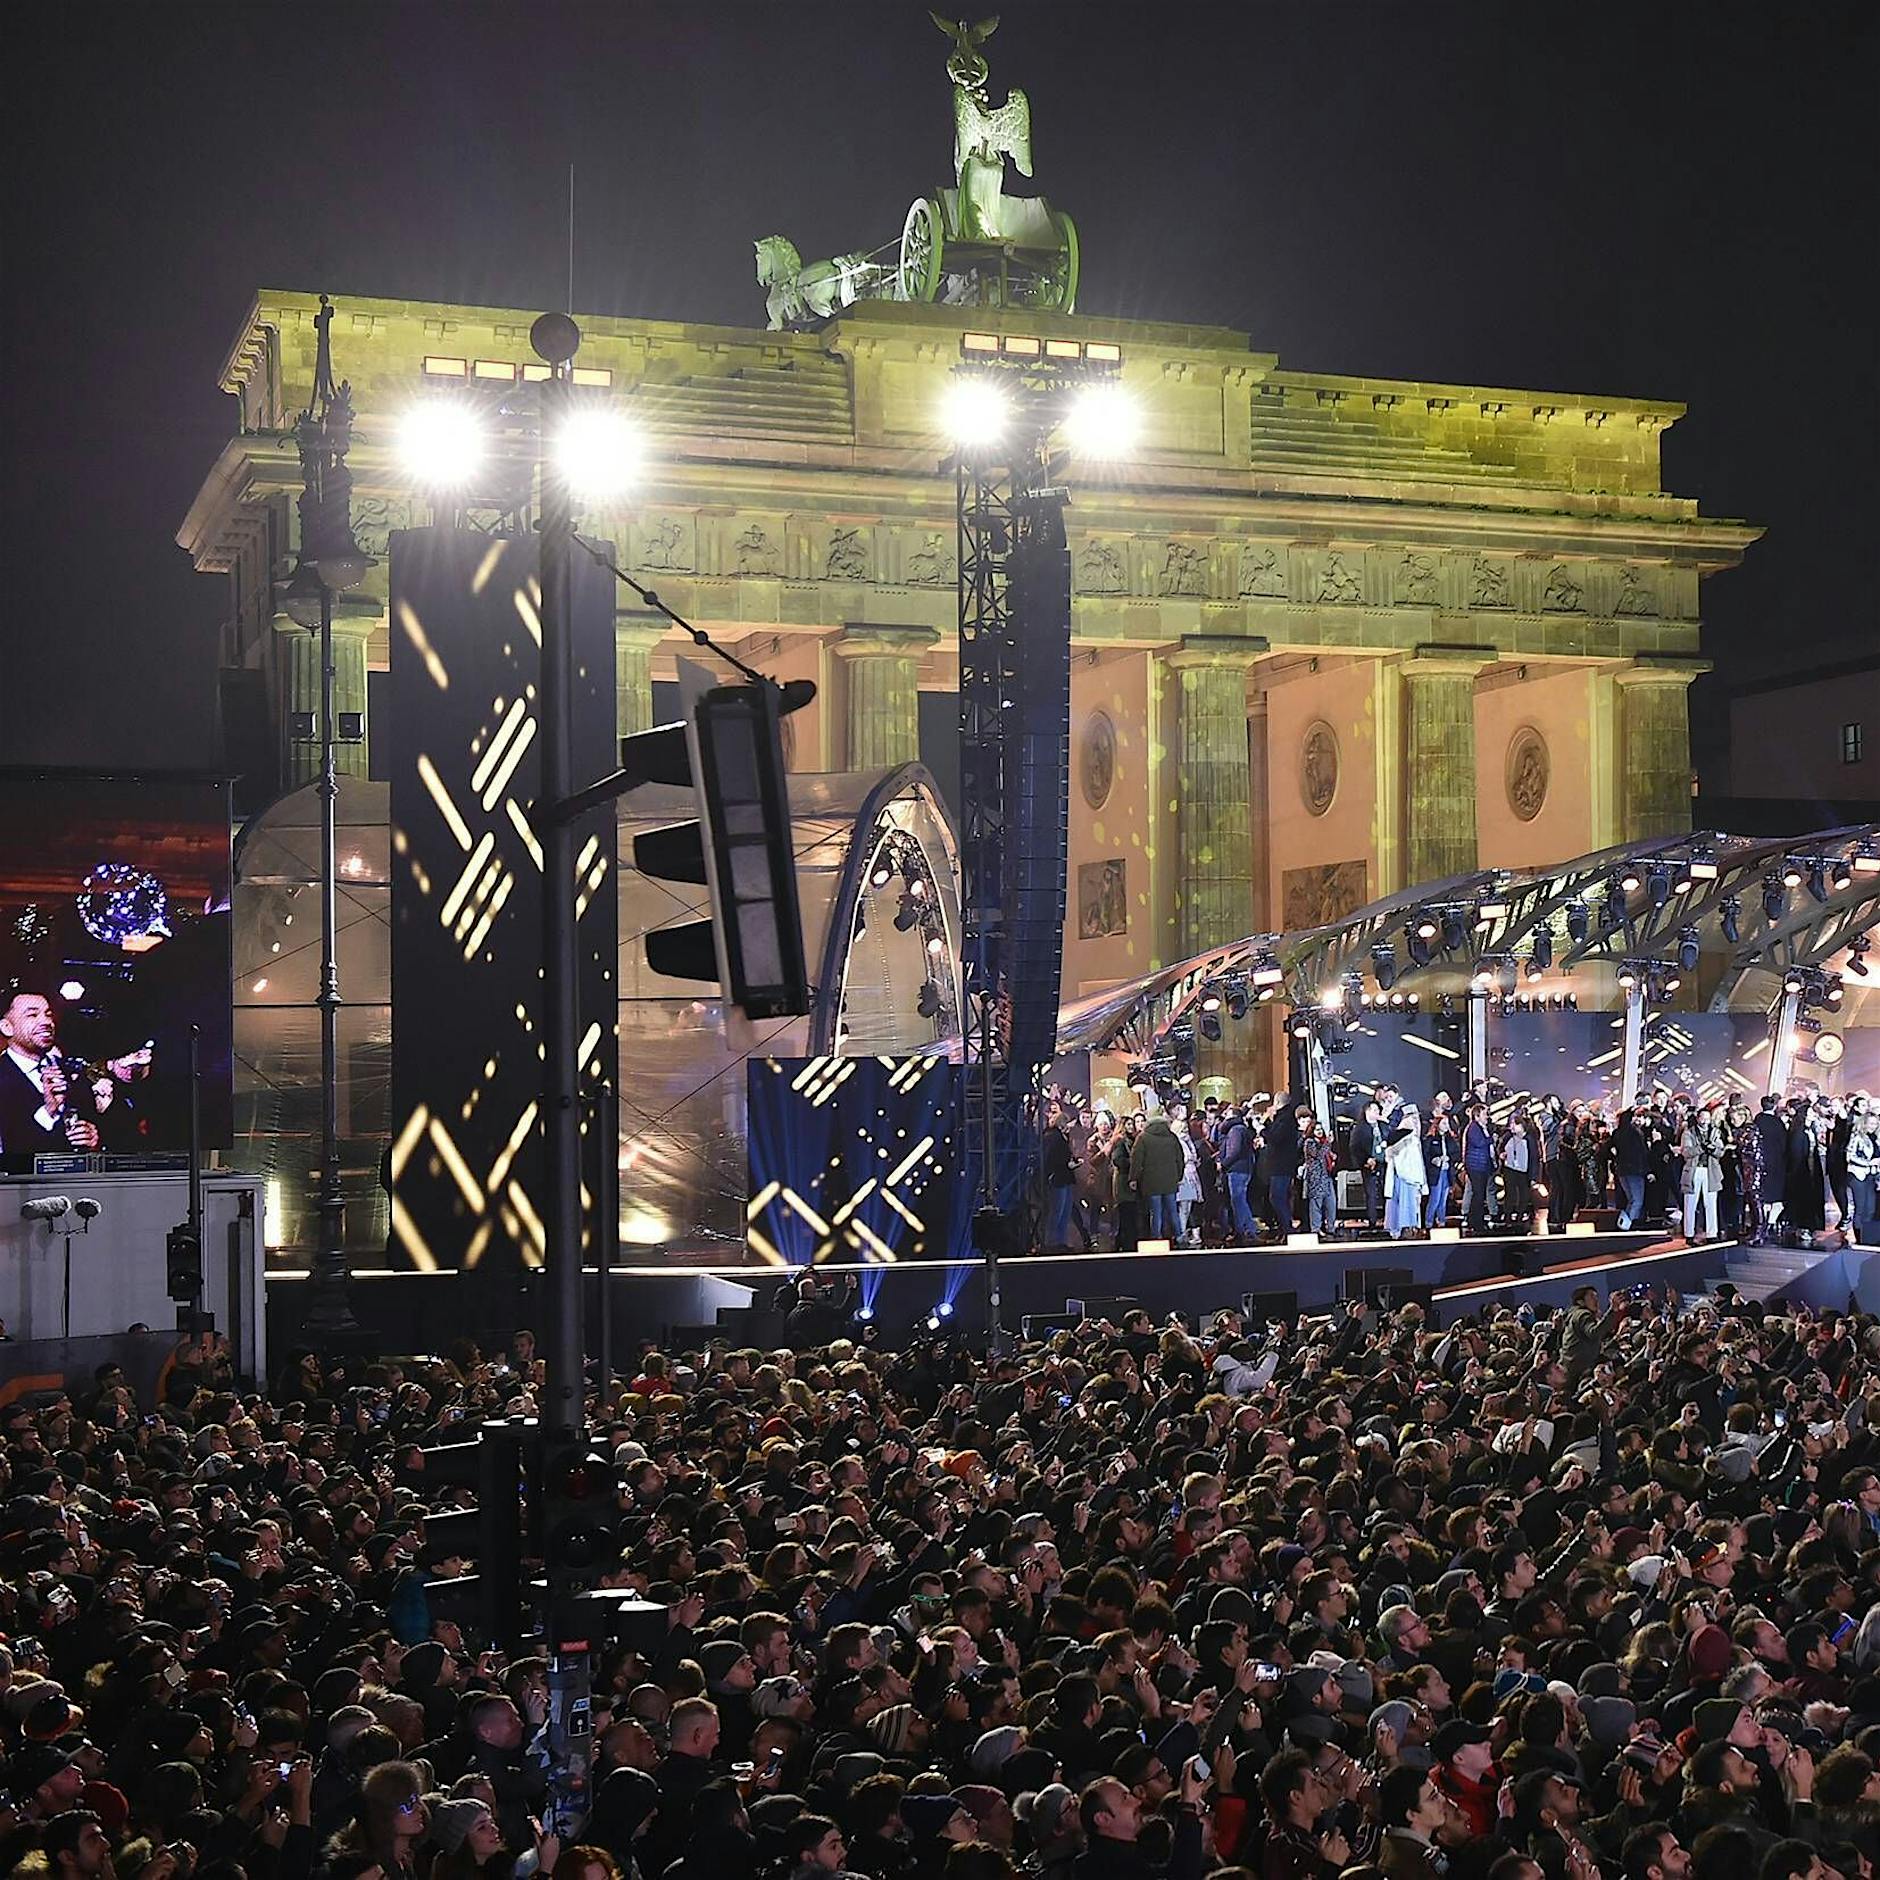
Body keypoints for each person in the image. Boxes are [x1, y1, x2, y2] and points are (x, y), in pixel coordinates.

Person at [0, 988, 102, 1154]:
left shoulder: (72, 1073)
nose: (46, 1022)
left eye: (48, 1014)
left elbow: (91, 1123)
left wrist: (93, 1139)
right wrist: (48, 1113)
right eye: (32, 1015)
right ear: (7, 1027)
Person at [1130, 1108, 1186, 1245]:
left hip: (1151, 1181)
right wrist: (1178, 1176)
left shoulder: (1142, 1138)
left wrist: (1133, 1178)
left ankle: (1157, 1238)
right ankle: (1179, 1236)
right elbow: (1180, 1158)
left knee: (1156, 1212)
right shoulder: (1172, 1137)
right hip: (1170, 1181)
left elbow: (1136, 1160)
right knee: (1173, 1211)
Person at [1217, 1104, 1261, 1245]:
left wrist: (1223, 1164)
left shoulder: (1235, 1130)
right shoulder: (1241, 1129)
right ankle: (1247, 1230)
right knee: (1240, 1200)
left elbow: (1234, 1151)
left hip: (1237, 1169)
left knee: (1238, 1201)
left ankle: (1246, 1230)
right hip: (1243, 1168)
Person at [1349, 1101, 1384, 1233]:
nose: (1377, 1113)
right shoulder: (1360, 1129)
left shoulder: (1382, 1126)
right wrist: (1365, 1160)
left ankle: (1387, 1219)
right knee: (1371, 1194)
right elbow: (1354, 1148)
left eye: (1378, 1110)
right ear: (1367, 1111)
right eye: (1374, 1110)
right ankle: (1372, 1221)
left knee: (1385, 1192)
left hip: (1383, 1162)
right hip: (1368, 1164)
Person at [1462, 1101, 1496, 1235]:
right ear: (1477, 1116)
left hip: (1482, 1165)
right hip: (1475, 1166)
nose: (1486, 1116)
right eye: (1484, 1114)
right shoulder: (1473, 1128)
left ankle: (1474, 1220)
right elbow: (1479, 1142)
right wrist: (1491, 1139)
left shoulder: (1482, 1128)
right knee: (1478, 1193)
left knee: (1479, 1193)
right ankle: (1476, 1222)